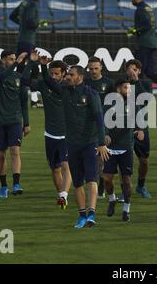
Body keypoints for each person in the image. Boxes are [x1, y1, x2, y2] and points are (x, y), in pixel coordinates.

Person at [41, 61, 110, 228]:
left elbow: (99, 119)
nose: (67, 77)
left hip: (89, 144)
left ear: (79, 77)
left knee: (91, 179)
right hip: (71, 145)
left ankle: (92, 214)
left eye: (71, 75)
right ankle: (81, 215)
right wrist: (43, 66)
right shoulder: (64, 91)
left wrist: (101, 143)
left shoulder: (91, 94)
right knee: (77, 182)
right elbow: (48, 81)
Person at [22, 52, 72, 209]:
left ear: (64, 74)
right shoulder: (44, 84)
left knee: (66, 166)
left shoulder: (66, 87)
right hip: (50, 134)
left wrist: (43, 66)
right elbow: (24, 80)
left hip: (66, 134)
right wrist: (31, 63)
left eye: (57, 73)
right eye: (52, 74)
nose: (54, 76)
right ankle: (61, 196)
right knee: (55, 168)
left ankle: (64, 194)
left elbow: (53, 85)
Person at [0, 51, 30, 198]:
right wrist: (16, 63)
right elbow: (0, 77)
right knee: (1, 155)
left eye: (14, 59)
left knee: (15, 151)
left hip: (15, 120)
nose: (14, 61)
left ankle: (16, 183)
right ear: (3, 60)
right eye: (11, 59)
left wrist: (26, 123)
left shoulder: (19, 78)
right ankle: (3, 186)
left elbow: (24, 102)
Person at [104, 79, 144, 221]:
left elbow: (140, 121)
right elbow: (102, 121)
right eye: (126, 87)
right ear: (118, 89)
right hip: (110, 148)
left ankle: (126, 209)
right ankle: (112, 199)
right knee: (107, 179)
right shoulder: (109, 103)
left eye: (130, 88)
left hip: (126, 147)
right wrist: (105, 133)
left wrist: (140, 130)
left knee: (126, 180)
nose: (129, 90)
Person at [9, 0, 46, 108]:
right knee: (33, 69)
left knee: (21, 69)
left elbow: (12, 16)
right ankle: (33, 100)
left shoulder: (24, 3)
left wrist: (22, 24)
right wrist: (36, 24)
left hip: (22, 39)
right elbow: (31, 22)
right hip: (28, 40)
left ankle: (16, 97)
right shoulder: (32, 4)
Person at [84, 57, 115, 199]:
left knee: (102, 158)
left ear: (101, 67)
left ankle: (101, 186)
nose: (93, 71)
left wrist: (108, 130)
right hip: (88, 126)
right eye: (91, 69)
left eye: (96, 68)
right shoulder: (84, 83)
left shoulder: (109, 84)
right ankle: (95, 185)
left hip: (105, 125)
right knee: (91, 158)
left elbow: (113, 107)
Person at [125, 59, 153, 199]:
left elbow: (146, 100)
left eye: (134, 70)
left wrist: (136, 82)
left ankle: (141, 186)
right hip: (124, 129)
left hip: (141, 127)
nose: (132, 73)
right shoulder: (121, 84)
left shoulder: (146, 84)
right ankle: (126, 190)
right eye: (130, 70)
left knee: (144, 160)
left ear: (139, 71)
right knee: (125, 160)